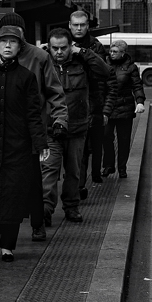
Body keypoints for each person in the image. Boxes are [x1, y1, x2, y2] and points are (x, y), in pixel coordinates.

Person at [0, 12, 68, 243]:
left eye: (16, 34)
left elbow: (54, 91)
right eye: (5, 35)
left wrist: (60, 120)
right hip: (1, 130)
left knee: (33, 181)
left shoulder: (39, 56)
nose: (10, 40)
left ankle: (37, 223)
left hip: (31, 130)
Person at [0, 26, 48, 262]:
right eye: (3, 41)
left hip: (18, 146)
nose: (7, 46)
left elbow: (33, 113)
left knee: (12, 195)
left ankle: (7, 244)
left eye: (12, 42)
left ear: (20, 47)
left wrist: (40, 143)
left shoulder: (26, 77)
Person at [42, 28, 115, 225]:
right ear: (49, 47)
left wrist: (84, 52)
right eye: (54, 48)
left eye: (63, 48)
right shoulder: (43, 62)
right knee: (49, 170)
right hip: (51, 128)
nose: (59, 52)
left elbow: (106, 72)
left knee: (74, 171)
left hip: (77, 127)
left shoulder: (82, 62)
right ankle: (45, 209)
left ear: (70, 46)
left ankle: (71, 207)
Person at [68, 9, 118, 198]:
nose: (79, 28)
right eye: (76, 25)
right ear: (70, 25)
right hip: (68, 105)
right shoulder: (63, 43)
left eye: (82, 25)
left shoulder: (95, 46)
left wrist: (105, 111)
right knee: (73, 151)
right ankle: (75, 185)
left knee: (86, 149)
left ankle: (80, 185)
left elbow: (104, 74)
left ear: (88, 26)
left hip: (91, 106)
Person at [102, 39, 145, 178]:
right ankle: (109, 165)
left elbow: (137, 85)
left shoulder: (131, 67)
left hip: (125, 108)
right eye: (110, 51)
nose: (112, 54)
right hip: (108, 108)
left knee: (124, 140)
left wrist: (140, 101)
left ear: (123, 53)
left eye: (115, 52)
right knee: (106, 137)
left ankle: (122, 168)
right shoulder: (104, 64)